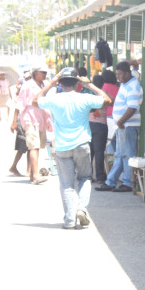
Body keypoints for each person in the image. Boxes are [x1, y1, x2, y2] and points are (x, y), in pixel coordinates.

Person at [33, 67, 111, 229]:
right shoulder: (84, 98)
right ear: (77, 83)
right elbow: (107, 100)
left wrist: (50, 84)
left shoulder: (55, 99)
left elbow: (35, 101)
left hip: (62, 147)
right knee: (84, 178)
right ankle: (81, 208)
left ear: (61, 83)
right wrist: (89, 85)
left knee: (67, 185)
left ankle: (69, 220)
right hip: (82, 145)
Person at [95, 61, 143, 192]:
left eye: (120, 74)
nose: (118, 76)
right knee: (119, 154)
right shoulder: (125, 84)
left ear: (127, 74)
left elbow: (132, 108)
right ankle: (111, 182)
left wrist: (121, 121)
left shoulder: (133, 86)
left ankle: (127, 183)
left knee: (127, 155)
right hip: (122, 125)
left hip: (127, 125)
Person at [12, 66, 53, 184]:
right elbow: (19, 103)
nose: (44, 75)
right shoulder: (28, 85)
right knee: (33, 146)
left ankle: (32, 173)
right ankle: (35, 176)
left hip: (41, 120)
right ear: (35, 73)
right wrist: (15, 120)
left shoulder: (43, 85)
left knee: (36, 146)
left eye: (45, 73)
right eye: (42, 73)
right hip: (30, 118)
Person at [89, 74, 108, 184]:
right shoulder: (104, 95)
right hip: (101, 126)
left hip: (90, 124)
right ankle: (100, 177)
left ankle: (88, 175)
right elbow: (111, 101)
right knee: (99, 152)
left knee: (90, 152)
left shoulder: (89, 95)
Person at [101, 69, 120, 153]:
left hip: (108, 116)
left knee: (109, 141)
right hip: (118, 116)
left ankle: (111, 161)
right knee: (117, 141)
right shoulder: (118, 88)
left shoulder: (103, 87)